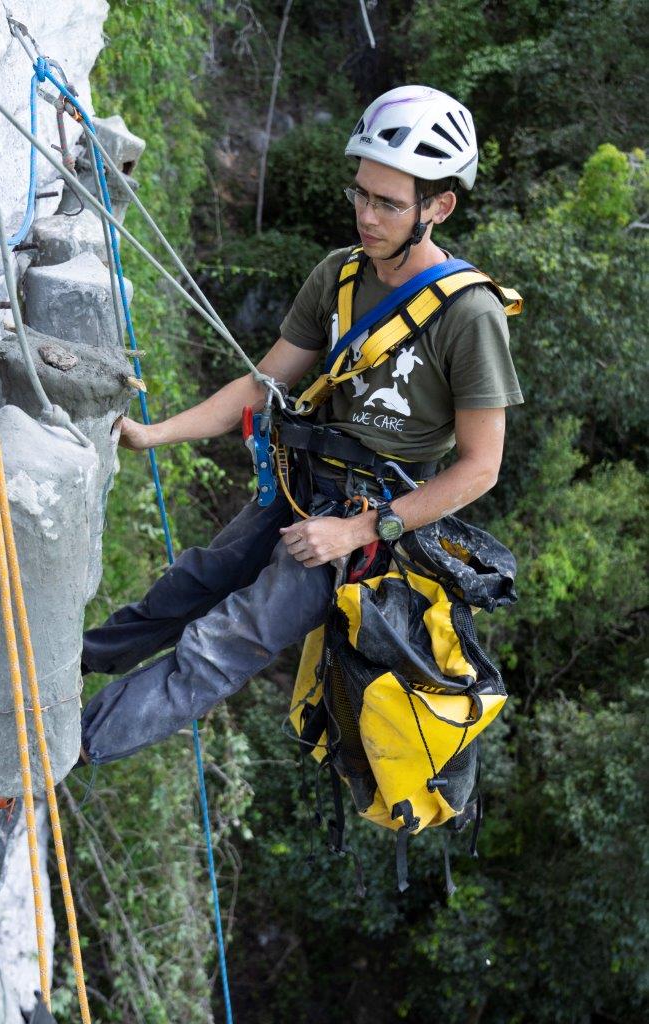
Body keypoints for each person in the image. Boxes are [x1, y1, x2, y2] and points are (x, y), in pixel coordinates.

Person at [80, 85, 523, 765]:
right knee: (190, 585)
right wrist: (154, 433)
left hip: (367, 521)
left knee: (225, 642)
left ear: (438, 207)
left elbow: (480, 467)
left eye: (388, 203)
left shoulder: (470, 314)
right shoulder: (339, 275)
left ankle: (55, 751)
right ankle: (54, 672)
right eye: (360, 194)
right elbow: (264, 384)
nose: (366, 215)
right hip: (299, 483)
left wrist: (358, 531)